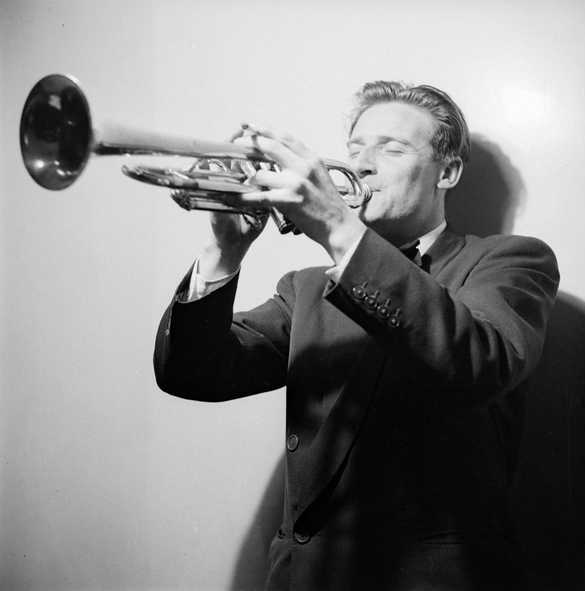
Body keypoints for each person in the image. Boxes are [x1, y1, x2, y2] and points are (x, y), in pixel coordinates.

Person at [153, 81, 560, 590]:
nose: (362, 165)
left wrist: (337, 228)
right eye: (354, 150)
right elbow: (194, 373)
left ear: (448, 171)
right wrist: (224, 253)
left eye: (391, 148)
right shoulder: (304, 289)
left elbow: (479, 361)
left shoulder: (508, 260)